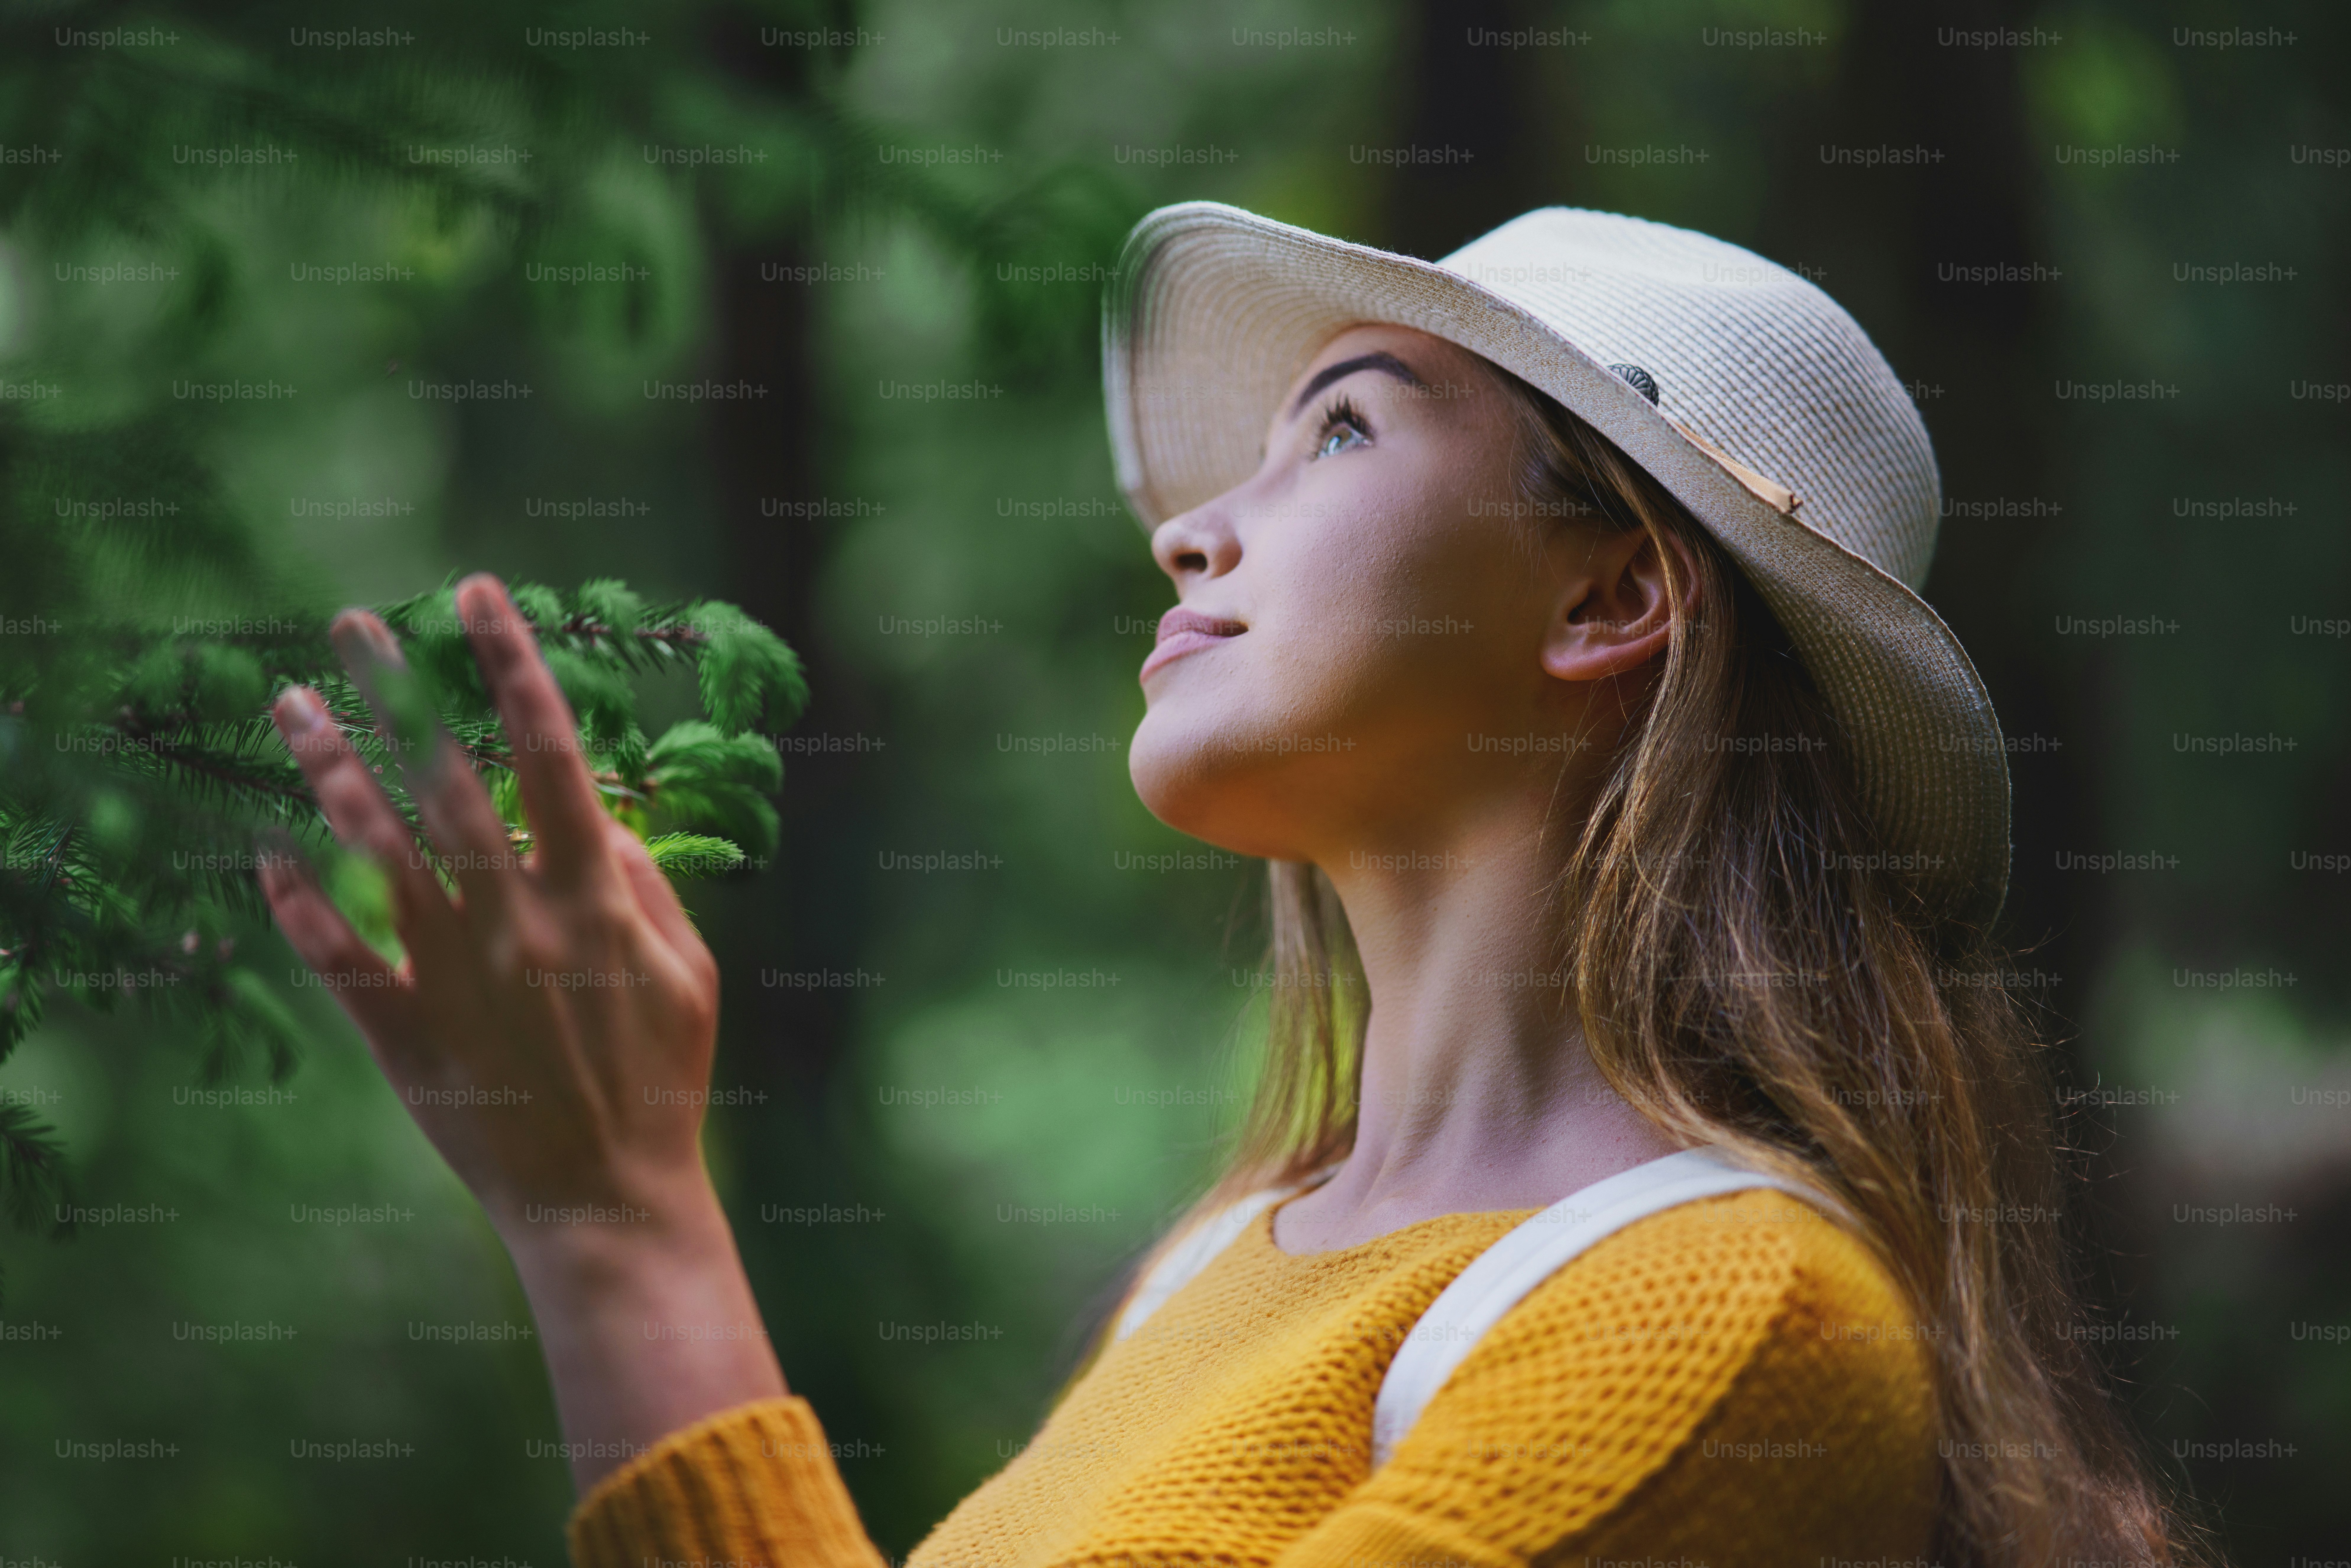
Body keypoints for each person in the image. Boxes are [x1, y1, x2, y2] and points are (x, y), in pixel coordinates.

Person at [260, 203, 2211, 1568]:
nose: (1193, 531)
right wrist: (587, 1210)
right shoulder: (1216, 1270)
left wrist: (626, 1227)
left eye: (1341, 428)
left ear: (1616, 594)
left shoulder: (1734, 1324)